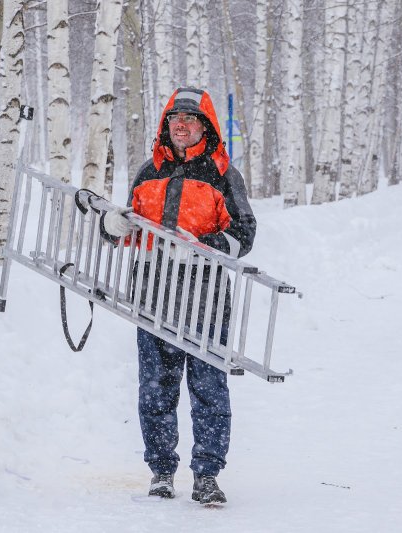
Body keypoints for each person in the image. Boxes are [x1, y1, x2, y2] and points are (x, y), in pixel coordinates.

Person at [100, 87, 257, 504]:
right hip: (153, 295)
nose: (181, 125)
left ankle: (206, 475)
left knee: (209, 389)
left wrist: (204, 245)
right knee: (156, 389)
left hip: (206, 297)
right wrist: (112, 227)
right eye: (174, 119)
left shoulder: (223, 175)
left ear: (206, 126)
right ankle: (161, 471)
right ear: (165, 125)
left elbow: (245, 234)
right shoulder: (148, 171)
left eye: (190, 119)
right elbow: (130, 226)